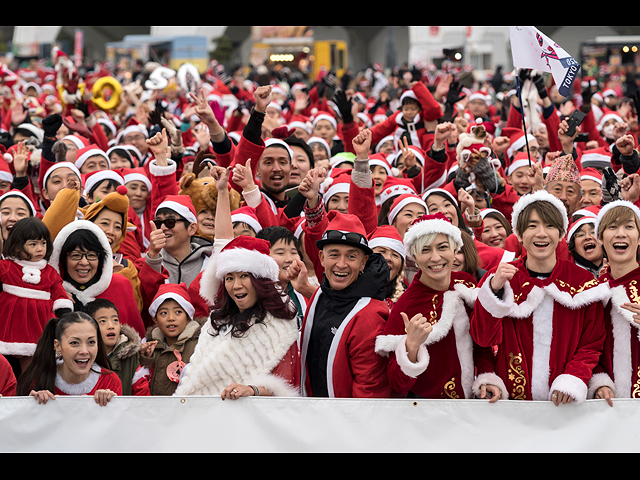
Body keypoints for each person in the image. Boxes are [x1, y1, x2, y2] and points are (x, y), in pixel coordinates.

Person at [470, 189, 609, 405]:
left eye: (550, 226)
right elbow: (482, 339)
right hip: (509, 405)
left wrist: (572, 378)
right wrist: (494, 291)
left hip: (565, 404)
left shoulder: (583, 282)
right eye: (532, 226)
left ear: (561, 233)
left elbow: (591, 344)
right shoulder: (499, 278)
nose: (541, 233)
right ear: (519, 233)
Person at [375, 213, 504, 400]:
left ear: (454, 250)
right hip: (429, 414)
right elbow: (397, 383)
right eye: (426, 250)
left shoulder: (466, 283)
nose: (435, 258)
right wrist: (411, 346)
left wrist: (486, 376)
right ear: (415, 257)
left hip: (473, 408)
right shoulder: (407, 307)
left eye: (443, 247)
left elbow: (481, 345)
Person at [174, 236, 300, 399]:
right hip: (204, 414)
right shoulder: (216, 321)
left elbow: (285, 386)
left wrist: (251, 389)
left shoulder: (279, 325)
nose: (236, 285)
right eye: (229, 278)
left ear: (260, 280)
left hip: (251, 418)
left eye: (244, 276)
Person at [298, 210, 392, 398]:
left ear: (364, 262)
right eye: (334, 254)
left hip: (344, 422)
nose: (341, 264)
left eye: (351, 256)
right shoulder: (319, 295)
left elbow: (369, 389)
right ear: (322, 259)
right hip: (310, 414)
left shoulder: (370, 315)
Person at [48, 219, 146, 338]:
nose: (84, 262)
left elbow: (137, 338)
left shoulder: (120, 285)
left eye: (91, 255)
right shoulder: (49, 291)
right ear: (63, 260)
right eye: (76, 256)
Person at [0, 217, 73, 376]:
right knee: (5, 368)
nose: (40, 248)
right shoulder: (6, 267)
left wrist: (65, 315)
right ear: (18, 247)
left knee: (31, 370)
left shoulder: (50, 272)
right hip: (8, 326)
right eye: (33, 244)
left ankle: (28, 394)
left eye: (43, 243)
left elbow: (59, 294)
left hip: (38, 327)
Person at [588, 201, 640, 405]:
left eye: (629, 226)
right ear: (599, 238)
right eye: (612, 227)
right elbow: (587, 348)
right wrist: (599, 384)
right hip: (607, 414)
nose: (620, 233)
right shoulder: (592, 292)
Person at [16, 312, 122, 407]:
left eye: (91, 342)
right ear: (57, 346)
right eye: (74, 343)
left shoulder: (110, 381)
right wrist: (32, 405)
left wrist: (111, 405)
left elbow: (116, 425)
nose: (84, 351)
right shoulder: (37, 380)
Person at [140, 282, 205, 396]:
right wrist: (143, 357)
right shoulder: (148, 345)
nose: (171, 318)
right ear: (155, 320)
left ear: (188, 317)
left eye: (178, 312)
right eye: (164, 313)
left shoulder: (200, 345)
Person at [85, 298, 150, 396]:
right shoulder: (83, 356)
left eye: (115, 320)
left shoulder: (130, 356)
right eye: (103, 321)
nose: (111, 326)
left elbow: (142, 393)